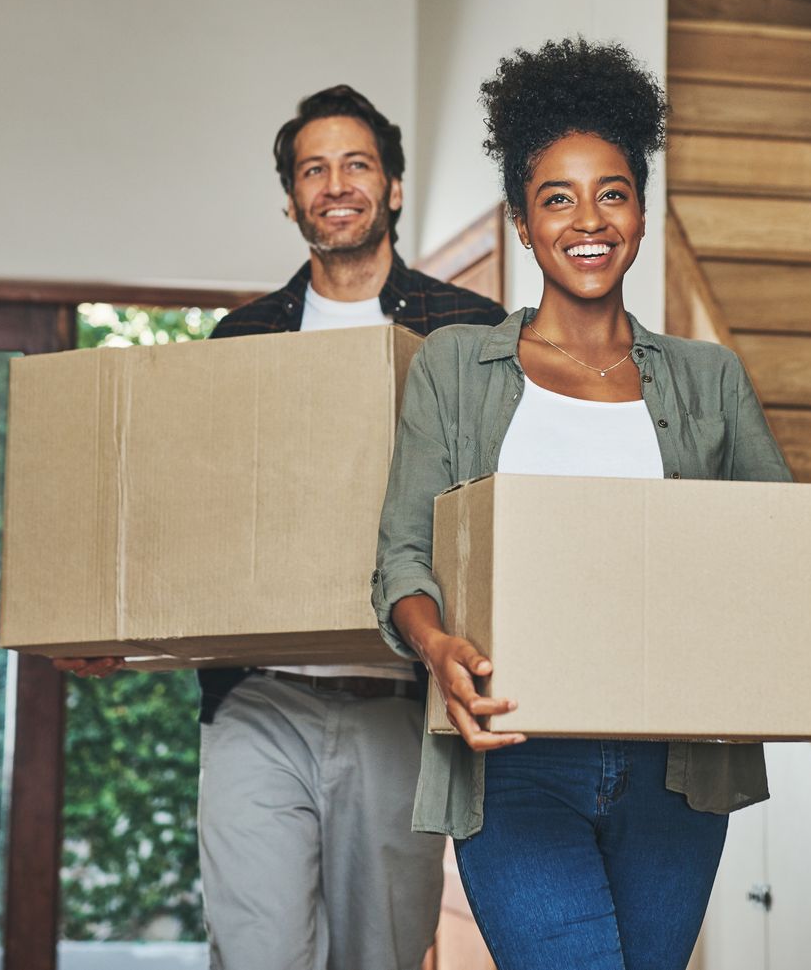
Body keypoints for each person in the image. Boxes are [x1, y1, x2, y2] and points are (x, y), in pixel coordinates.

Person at [371, 39, 811, 970]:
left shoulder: (710, 380)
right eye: (558, 197)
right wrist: (437, 644)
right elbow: (403, 557)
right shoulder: (456, 369)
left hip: (680, 769)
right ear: (522, 223)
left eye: (612, 192)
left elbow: (790, 554)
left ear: (643, 211)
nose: (589, 219)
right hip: (514, 757)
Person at [57, 83, 507, 970]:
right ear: (291, 198)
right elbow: (194, 517)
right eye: (313, 169)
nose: (335, 184)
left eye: (355, 164)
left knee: (380, 957)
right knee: (256, 951)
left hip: (395, 703)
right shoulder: (242, 337)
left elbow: (497, 513)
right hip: (258, 703)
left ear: (395, 187)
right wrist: (116, 627)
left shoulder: (470, 332)